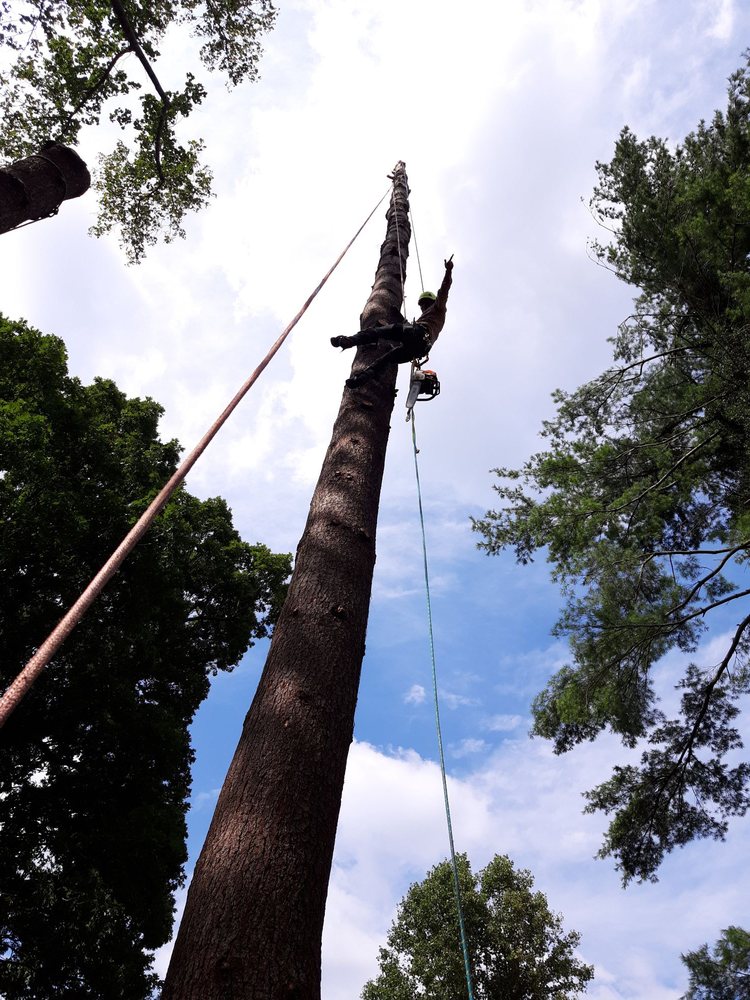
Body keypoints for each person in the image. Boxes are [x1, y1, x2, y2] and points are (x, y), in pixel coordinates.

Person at [331, 256, 453, 388]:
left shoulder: (439, 308)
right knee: (387, 359)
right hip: (419, 348)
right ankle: (361, 379)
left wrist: (448, 271)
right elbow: (407, 328)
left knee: (376, 332)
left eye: (425, 303)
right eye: (421, 305)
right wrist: (398, 315)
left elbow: (444, 291)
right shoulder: (428, 319)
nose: (422, 307)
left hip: (418, 336)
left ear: (433, 302)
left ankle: (348, 341)